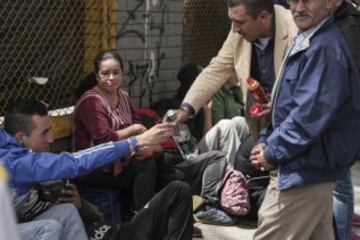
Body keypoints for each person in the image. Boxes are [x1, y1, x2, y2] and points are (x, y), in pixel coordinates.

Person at [0, 99, 189, 239]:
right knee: (50, 229)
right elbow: (76, 163)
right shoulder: (14, 162)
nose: (51, 139)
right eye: (45, 133)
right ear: (20, 138)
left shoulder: (16, 150)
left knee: (66, 212)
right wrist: (136, 142)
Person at [249, 0, 360, 238]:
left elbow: (307, 117)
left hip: (302, 175)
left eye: (307, 0)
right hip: (307, 170)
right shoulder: (310, 38)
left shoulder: (324, 48)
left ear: (333, 2)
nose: (298, 7)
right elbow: (289, 106)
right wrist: (267, 138)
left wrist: (272, 152)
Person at [176, 0, 298, 142]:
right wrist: (186, 109)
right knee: (244, 160)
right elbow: (216, 70)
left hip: (293, 125)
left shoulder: (295, 30)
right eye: (232, 21)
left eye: (239, 22)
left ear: (263, 17)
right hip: (261, 126)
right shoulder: (238, 32)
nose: (234, 29)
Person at [73, 50, 162, 223]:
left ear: (122, 74)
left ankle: (143, 214)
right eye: (105, 73)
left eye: (116, 72)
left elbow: (137, 125)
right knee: (146, 166)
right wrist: (132, 130)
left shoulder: (123, 95)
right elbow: (104, 139)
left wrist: (147, 146)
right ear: (97, 76)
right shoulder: (91, 101)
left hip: (119, 162)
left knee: (154, 157)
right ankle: (143, 220)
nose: (111, 78)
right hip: (95, 167)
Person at [331, 0, 360, 239]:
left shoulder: (348, 27)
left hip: (342, 118)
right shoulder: (338, 22)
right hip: (338, 117)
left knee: (340, 186)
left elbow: (349, 77)